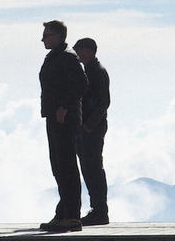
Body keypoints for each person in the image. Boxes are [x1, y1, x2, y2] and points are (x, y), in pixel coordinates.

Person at [38, 20, 89, 232]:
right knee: (58, 166)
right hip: (54, 117)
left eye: (47, 35)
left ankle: (72, 216)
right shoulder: (55, 57)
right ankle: (63, 213)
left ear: (57, 37)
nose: (43, 39)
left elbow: (82, 83)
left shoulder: (67, 57)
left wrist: (64, 107)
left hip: (64, 120)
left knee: (67, 165)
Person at [73, 37, 110, 226]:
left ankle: (100, 211)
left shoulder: (97, 71)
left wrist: (88, 126)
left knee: (93, 168)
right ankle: (96, 209)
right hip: (86, 128)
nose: (76, 53)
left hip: (92, 129)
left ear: (88, 51)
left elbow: (104, 102)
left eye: (78, 49)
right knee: (88, 168)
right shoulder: (90, 70)